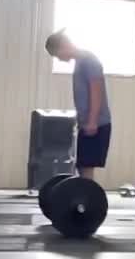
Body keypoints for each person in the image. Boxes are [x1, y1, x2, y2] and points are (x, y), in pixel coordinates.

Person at [45, 30, 112, 181]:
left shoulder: (89, 61)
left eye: (57, 55)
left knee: (86, 167)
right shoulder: (81, 62)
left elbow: (96, 90)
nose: (59, 59)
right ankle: (85, 194)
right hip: (88, 123)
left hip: (97, 123)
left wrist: (92, 121)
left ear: (63, 46)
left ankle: (88, 195)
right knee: (83, 166)